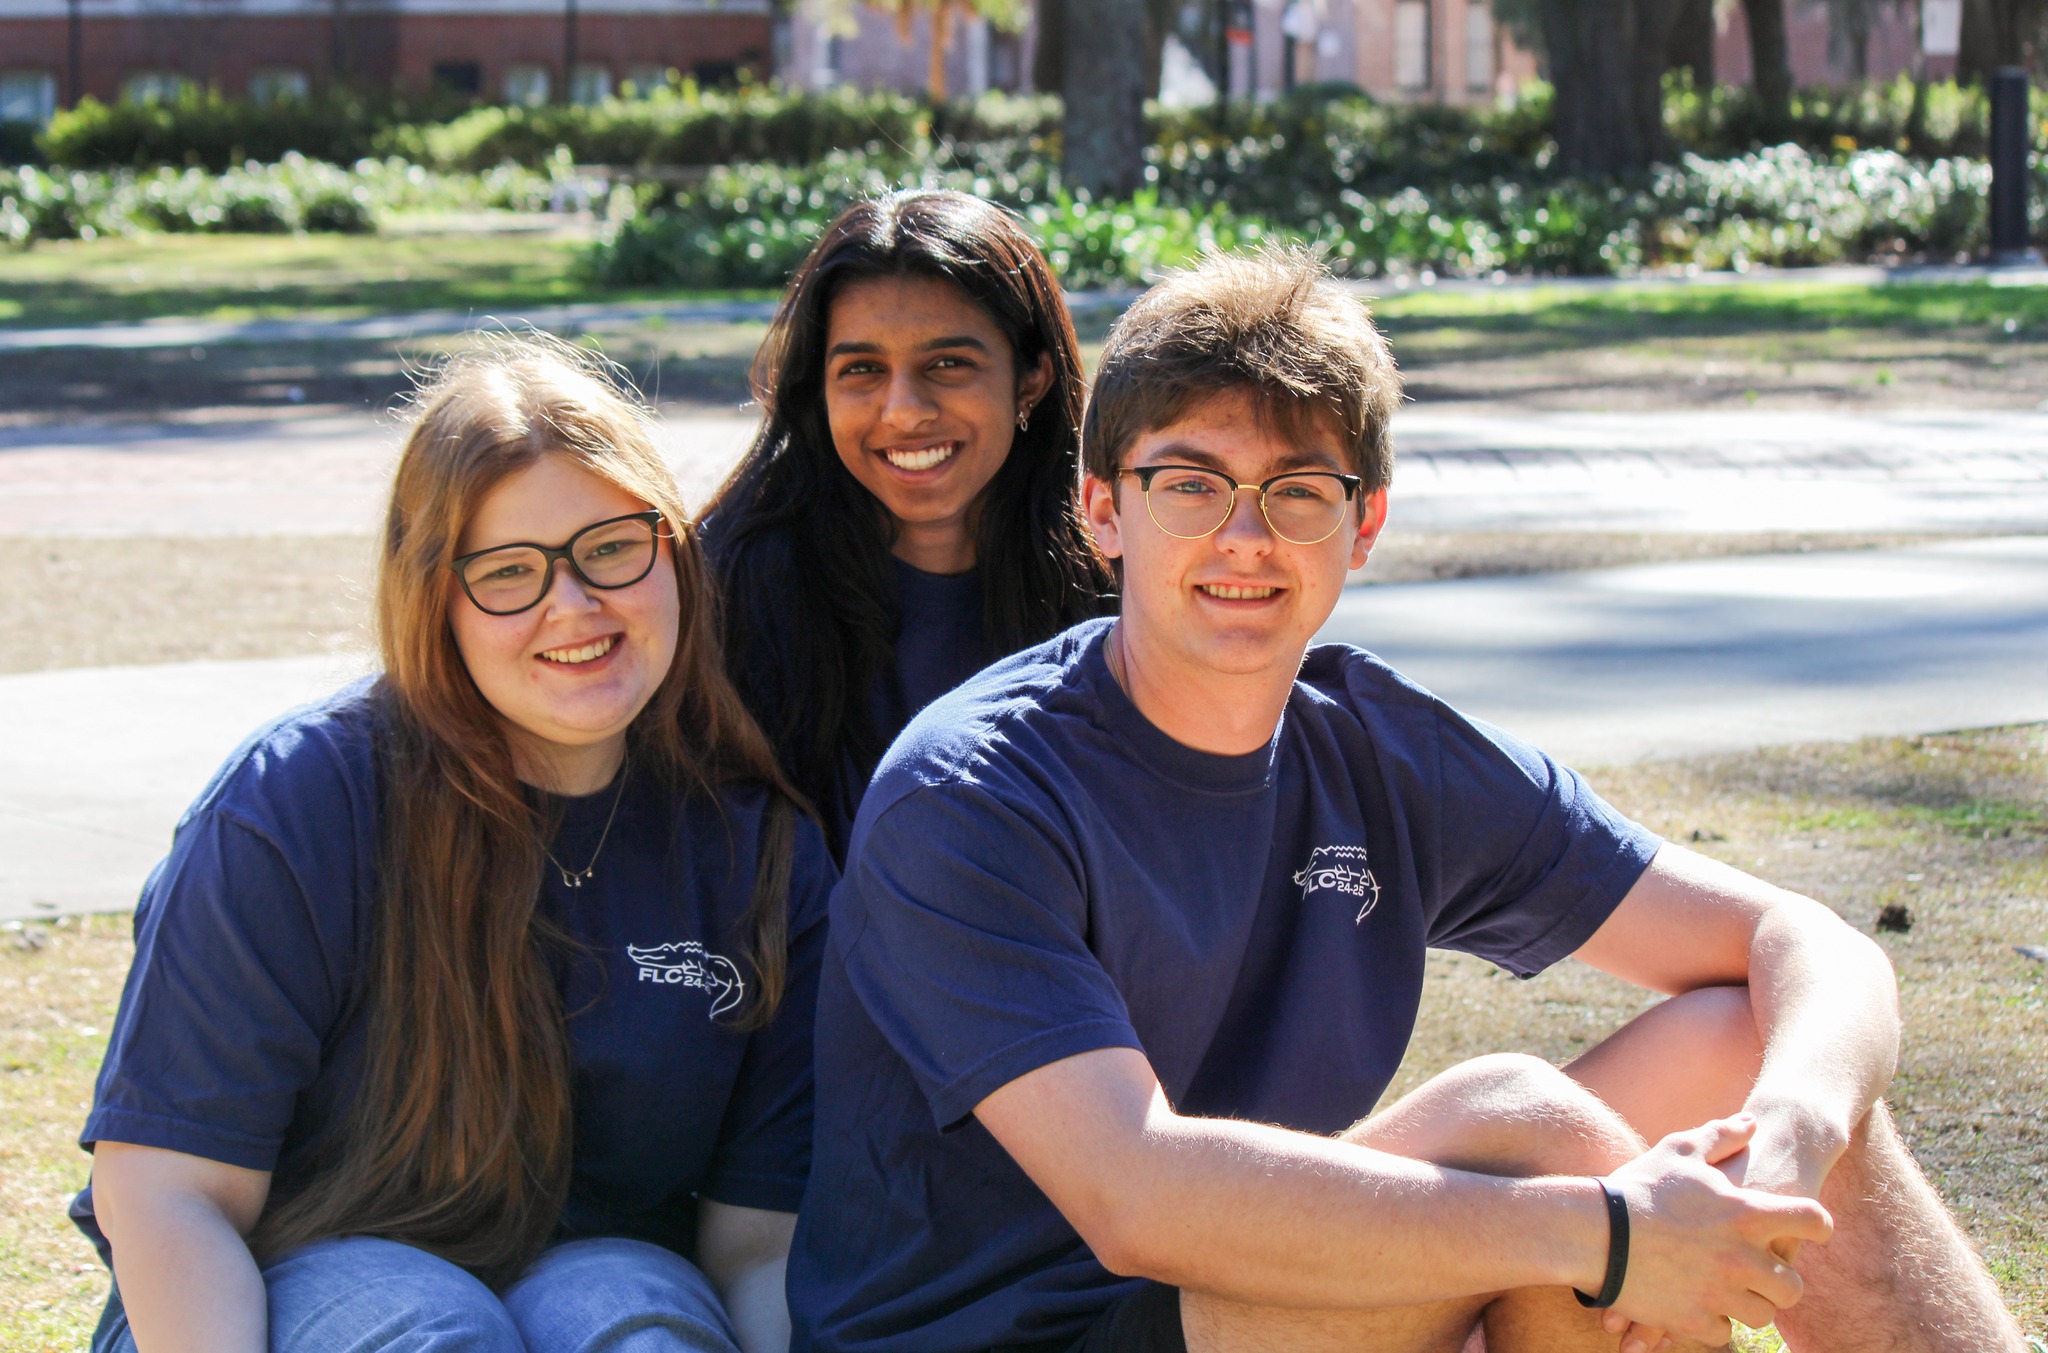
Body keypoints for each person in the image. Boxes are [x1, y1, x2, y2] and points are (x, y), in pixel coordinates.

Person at [785, 250, 2025, 1353]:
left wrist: (1790, 1135)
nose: (1243, 538)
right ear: (1101, 509)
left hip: (1251, 1294)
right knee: (1529, 1132)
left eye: (1297, 491)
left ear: (1362, 525)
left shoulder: (1376, 747)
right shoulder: (971, 791)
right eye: (1189, 484)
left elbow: (1803, 944)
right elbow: (1134, 1198)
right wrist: (1598, 1231)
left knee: (1755, 1041)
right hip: (1028, 1326)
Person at [74, 338, 837, 1353]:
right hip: (269, 1293)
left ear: (673, 551)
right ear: (436, 600)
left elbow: (754, 1248)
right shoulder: (295, 805)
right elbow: (168, 1196)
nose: (573, 605)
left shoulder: (763, 853)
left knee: (636, 1325)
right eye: (509, 573)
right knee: (439, 1328)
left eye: (610, 546)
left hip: (605, 1278)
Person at [700, 189, 1114, 859]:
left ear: (1031, 379)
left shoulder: (1115, 584)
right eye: (862, 370)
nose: (903, 411)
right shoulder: (731, 586)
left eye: (948, 364)